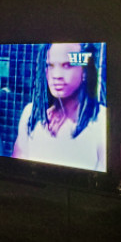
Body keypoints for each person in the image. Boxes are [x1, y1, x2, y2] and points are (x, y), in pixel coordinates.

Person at [11, 43, 106, 171]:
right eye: (50, 66)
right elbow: (18, 171)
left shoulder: (101, 121)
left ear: (84, 71)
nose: (56, 75)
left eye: (67, 65)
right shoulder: (31, 115)